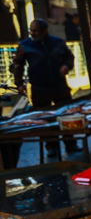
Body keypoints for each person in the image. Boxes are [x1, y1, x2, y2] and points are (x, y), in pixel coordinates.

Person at [11, 18, 79, 155]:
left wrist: (67, 66)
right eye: (31, 30)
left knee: (65, 115)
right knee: (44, 120)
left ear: (45, 30)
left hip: (60, 86)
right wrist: (19, 84)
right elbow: (17, 65)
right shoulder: (25, 46)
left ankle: (71, 144)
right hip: (39, 89)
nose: (32, 33)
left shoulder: (58, 43)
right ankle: (51, 147)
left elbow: (69, 58)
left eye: (35, 30)